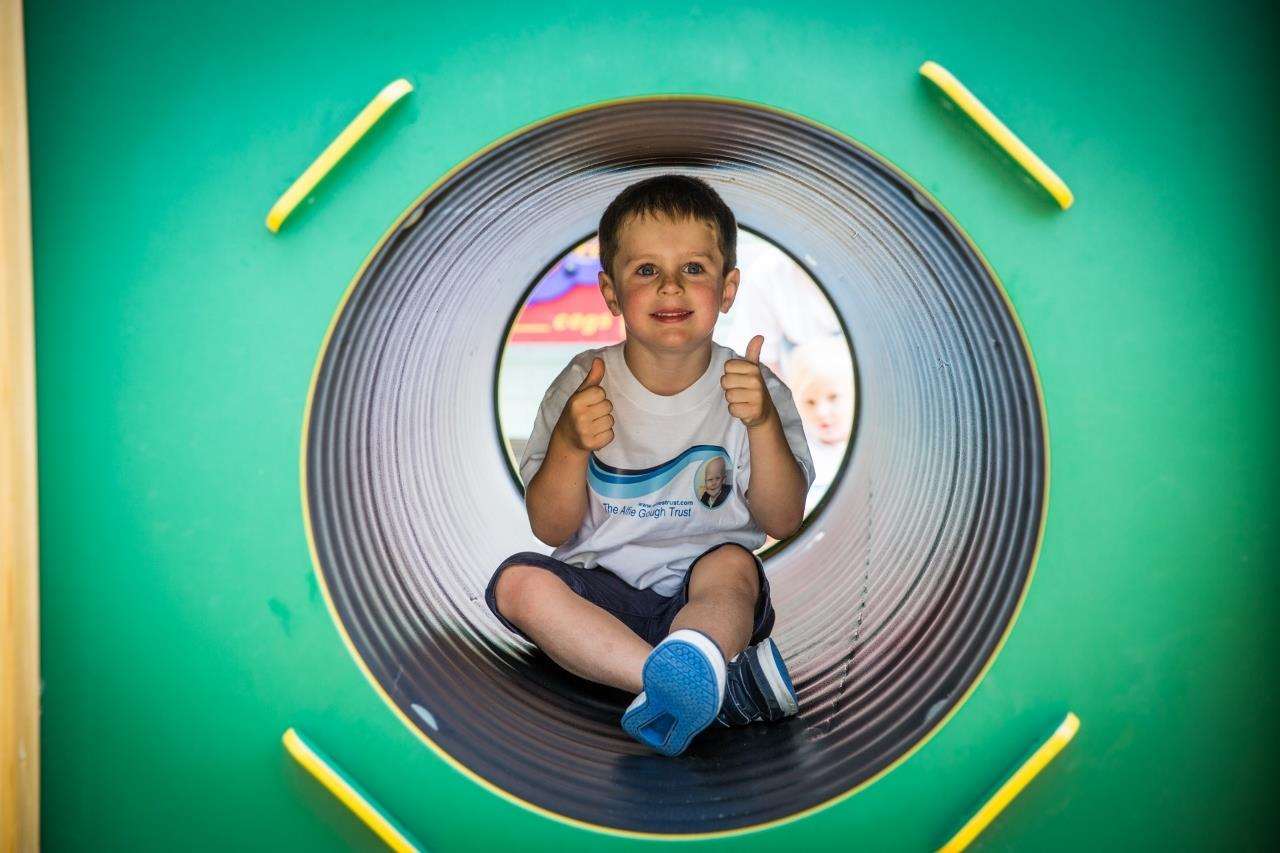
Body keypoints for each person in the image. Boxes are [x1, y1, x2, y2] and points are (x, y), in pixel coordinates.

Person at [485, 174, 814, 756]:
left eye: (693, 268)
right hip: (601, 599)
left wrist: (762, 424)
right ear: (610, 293)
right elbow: (550, 528)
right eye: (645, 271)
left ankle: (696, 668)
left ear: (727, 287)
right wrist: (568, 443)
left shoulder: (753, 389)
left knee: (734, 564)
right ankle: (682, 683)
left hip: (710, 604)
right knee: (517, 583)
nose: (670, 287)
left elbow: (783, 519)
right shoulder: (582, 383)